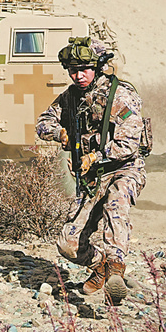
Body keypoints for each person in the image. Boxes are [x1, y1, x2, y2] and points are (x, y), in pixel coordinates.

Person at [36, 37, 147, 305]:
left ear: (97, 68)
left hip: (124, 167)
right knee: (68, 244)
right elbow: (43, 123)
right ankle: (101, 267)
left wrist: (94, 156)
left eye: (84, 69)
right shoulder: (70, 97)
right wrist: (60, 133)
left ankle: (116, 270)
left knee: (115, 206)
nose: (78, 75)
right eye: (73, 70)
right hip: (93, 177)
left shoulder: (120, 96)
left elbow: (129, 144)